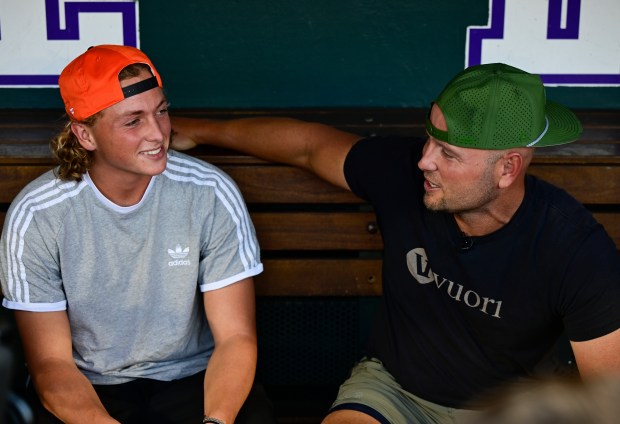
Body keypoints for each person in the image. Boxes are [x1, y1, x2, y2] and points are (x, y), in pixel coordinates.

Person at [170, 63, 620, 424]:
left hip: (507, 411)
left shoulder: (574, 249)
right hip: (392, 393)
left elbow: (608, 397)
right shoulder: (406, 175)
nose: (425, 159)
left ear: (507, 169)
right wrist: (199, 129)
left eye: (449, 153)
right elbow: (307, 146)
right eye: (430, 137)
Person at [0, 45, 273, 424]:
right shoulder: (39, 214)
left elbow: (235, 338)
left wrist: (217, 420)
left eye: (161, 111)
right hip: (86, 386)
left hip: (195, 379)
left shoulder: (208, 191)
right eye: (133, 121)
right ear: (86, 135)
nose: (158, 133)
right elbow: (50, 365)